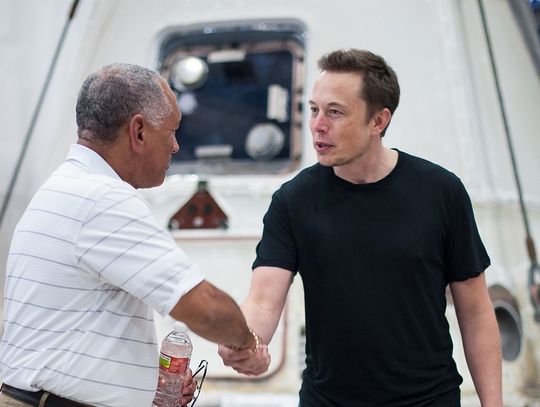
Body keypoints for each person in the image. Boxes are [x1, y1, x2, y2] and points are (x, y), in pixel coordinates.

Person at [218, 49, 503, 406]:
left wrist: (494, 404)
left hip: (428, 399)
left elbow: (475, 310)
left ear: (378, 121)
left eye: (335, 112)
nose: (318, 125)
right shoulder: (293, 201)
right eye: (314, 110)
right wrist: (246, 343)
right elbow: (262, 300)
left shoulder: (441, 192)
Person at [0, 63, 266, 407]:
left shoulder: (62, 189)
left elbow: (71, 325)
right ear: (138, 131)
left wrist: (142, 377)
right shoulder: (103, 198)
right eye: (171, 132)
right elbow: (203, 307)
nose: (175, 146)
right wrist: (247, 342)